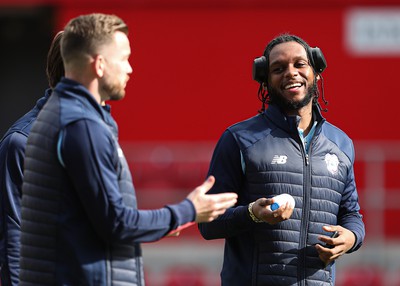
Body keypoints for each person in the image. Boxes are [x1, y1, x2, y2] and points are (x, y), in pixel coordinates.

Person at [19, 13, 238, 285]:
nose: (130, 68)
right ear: (99, 65)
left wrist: (160, 222)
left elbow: (86, 218)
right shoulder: (82, 125)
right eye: (124, 58)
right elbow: (117, 224)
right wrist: (188, 210)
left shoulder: (54, 116)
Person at [198, 34, 365, 285]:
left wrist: (351, 237)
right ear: (265, 80)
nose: (291, 73)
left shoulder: (341, 144)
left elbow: (351, 214)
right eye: (278, 68)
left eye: (300, 64)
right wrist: (252, 214)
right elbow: (208, 224)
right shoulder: (239, 139)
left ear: (316, 72)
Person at [0, 31, 64, 286]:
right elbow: (13, 241)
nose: (129, 69)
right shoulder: (21, 142)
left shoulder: (98, 133)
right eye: (121, 59)